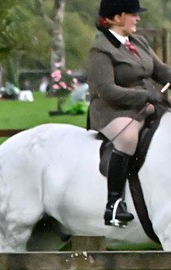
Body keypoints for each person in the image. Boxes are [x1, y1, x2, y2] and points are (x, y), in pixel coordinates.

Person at [87, 0, 171, 226]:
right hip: (112, 110)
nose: (138, 18)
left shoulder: (138, 42)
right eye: (133, 14)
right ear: (117, 18)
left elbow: (161, 70)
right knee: (127, 138)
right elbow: (106, 90)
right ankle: (113, 205)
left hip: (146, 105)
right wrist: (144, 96)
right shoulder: (101, 49)